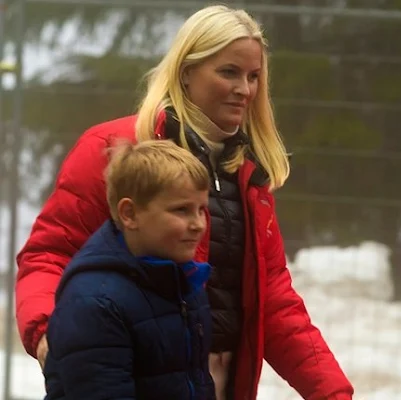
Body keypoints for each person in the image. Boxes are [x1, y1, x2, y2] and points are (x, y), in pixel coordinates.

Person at [16, 5, 354, 400]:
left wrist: (330, 391)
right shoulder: (114, 148)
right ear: (186, 71)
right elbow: (49, 254)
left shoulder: (248, 173)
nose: (244, 89)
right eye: (228, 72)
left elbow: (274, 300)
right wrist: (46, 336)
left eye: (254, 76)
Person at [42, 140, 215, 399]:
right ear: (129, 214)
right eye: (182, 210)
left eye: (201, 210)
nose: (199, 224)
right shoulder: (95, 304)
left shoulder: (183, 284)